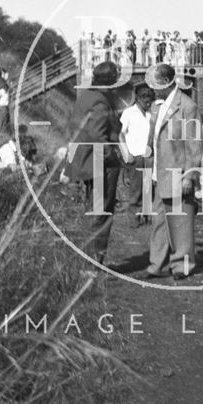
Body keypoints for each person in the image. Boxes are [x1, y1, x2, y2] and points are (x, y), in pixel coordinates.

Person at [145, 64, 203, 279]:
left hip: (178, 173)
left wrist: (190, 175)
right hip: (159, 173)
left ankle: (182, 266)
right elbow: (153, 138)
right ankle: (157, 265)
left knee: (181, 223)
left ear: (166, 83)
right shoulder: (156, 106)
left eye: (154, 84)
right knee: (159, 223)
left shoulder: (188, 107)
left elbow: (194, 144)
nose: (151, 89)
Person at [65, 61, 122, 266]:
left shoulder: (86, 96)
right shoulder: (100, 101)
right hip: (100, 164)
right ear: (111, 79)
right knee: (102, 212)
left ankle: (88, 261)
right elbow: (98, 136)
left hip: (87, 161)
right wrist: (112, 157)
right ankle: (93, 264)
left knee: (93, 210)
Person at [119, 84, 155, 228]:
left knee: (149, 189)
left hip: (149, 157)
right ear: (138, 99)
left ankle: (147, 217)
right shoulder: (128, 113)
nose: (148, 103)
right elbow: (120, 134)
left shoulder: (151, 114)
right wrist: (126, 154)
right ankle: (134, 219)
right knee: (136, 190)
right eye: (145, 100)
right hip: (135, 156)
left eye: (150, 100)